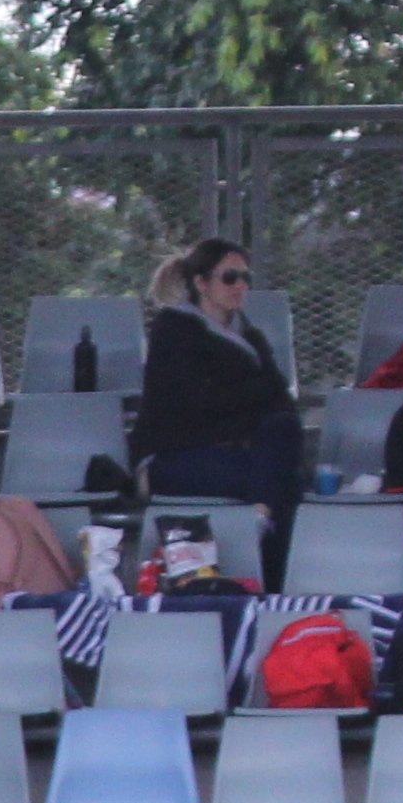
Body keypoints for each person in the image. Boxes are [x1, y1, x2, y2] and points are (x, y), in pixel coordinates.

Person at [136, 238, 303, 584]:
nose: (240, 286)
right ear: (201, 283)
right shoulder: (173, 330)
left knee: (284, 429)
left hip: (236, 452)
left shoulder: (250, 336)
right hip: (176, 457)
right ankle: (268, 581)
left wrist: (242, 404)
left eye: (245, 277)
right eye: (229, 277)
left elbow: (281, 399)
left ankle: (260, 526)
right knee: (283, 484)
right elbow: (195, 405)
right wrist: (253, 401)